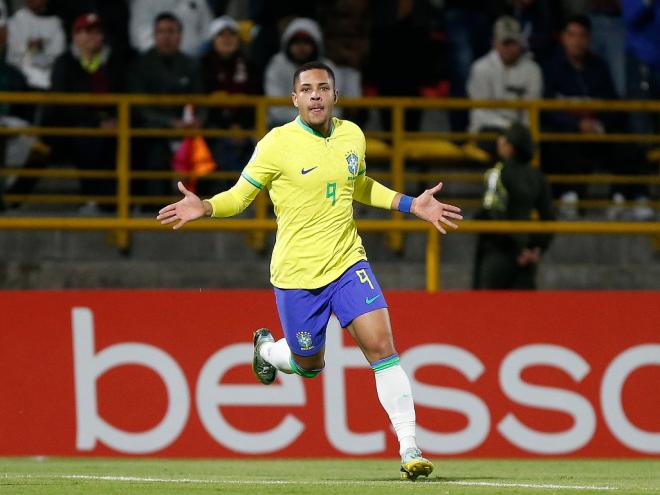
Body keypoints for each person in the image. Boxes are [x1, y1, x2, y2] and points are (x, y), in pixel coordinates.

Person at [157, 61, 463, 480]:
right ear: (294, 99)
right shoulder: (276, 144)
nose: (315, 95)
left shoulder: (352, 134)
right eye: (306, 89)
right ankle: (267, 351)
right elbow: (240, 197)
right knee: (309, 365)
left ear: (335, 95)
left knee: (382, 348)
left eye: (323, 88)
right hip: (297, 275)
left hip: (348, 262)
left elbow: (357, 184)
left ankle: (409, 448)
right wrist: (207, 206)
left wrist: (411, 203)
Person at [542, 14, 652, 220]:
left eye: (582, 35)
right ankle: (570, 197)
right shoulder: (551, 68)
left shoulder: (599, 67)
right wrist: (577, 125)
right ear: (563, 38)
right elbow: (546, 110)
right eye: (572, 35)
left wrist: (599, 124)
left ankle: (624, 197)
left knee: (628, 143)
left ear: (589, 39)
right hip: (568, 134)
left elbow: (612, 104)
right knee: (557, 141)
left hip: (598, 132)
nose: (577, 41)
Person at [49, 13, 125, 214]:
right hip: (73, 127)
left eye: (97, 32)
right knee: (89, 139)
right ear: (75, 36)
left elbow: (123, 93)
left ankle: (122, 201)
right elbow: (62, 104)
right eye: (86, 32)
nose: (92, 36)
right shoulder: (64, 63)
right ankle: (92, 198)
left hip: (112, 124)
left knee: (129, 138)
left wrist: (115, 120)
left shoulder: (113, 62)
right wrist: (95, 123)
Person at [128, 11, 204, 201]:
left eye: (171, 31)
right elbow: (140, 107)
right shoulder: (141, 65)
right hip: (154, 129)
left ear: (180, 36)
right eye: (161, 31)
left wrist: (199, 120)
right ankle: (155, 205)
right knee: (154, 150)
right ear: (154, 35)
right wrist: (170, 122)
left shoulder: (191, 65)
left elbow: (202, 100)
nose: (166, 36)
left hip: (189, 130)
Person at [473, 122, 554, 290]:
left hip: (498, 254)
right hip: (527, 256)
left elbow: (492, 214)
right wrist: (535, 249)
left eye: (503, 139)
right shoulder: (537, 176)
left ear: (511, 147)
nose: (499, 142)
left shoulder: (497, 173)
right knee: (524, 306)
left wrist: (516, 248)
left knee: (489, 305)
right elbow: (549, 218)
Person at [467, 16, 543, 141]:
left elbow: (531, 114)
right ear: (494, 43)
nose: (510, 48)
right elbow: (480, 112)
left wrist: (521, 135)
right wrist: (508, 127)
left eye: (514, 43)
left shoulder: (533, 70)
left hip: (519, 135)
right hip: (486, 132)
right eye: (505, 43)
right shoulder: (480, 68)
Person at [6, 0, 65, 90]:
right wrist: (27, 47)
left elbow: (58, 54)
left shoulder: (55, 22)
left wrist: (42, 46)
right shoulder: (15, 21)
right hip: (20, 78)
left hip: (49, 77)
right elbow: (11, 56)